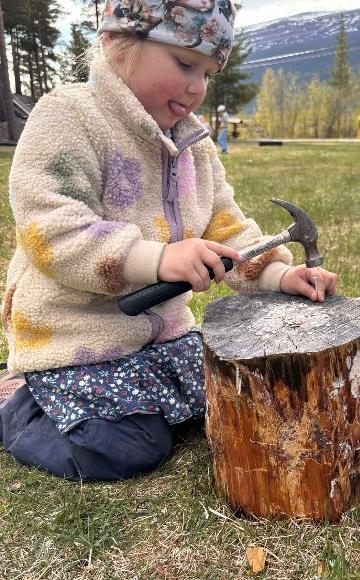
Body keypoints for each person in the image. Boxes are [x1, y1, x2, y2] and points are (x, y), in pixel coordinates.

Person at [0, 0, 337, 483]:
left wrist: (280, 274)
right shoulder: (68, 117)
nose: (197, 87)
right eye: (184, 64)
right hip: (74, 342)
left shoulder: (192, 144)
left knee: (234, 392)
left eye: (208, 73)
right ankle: (18, 404)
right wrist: (153, 259)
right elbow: (50, 228)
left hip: (162, 336)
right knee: (122, 447)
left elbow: (226, 226)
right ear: (120, 44)